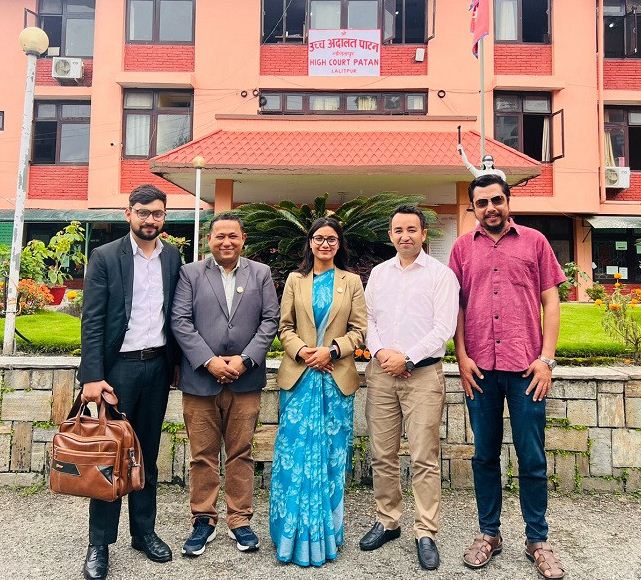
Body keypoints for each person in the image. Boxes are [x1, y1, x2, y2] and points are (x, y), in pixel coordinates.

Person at [448, 174, 566, 579]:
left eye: (496, 200)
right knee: (484, 455)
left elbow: (551, 300)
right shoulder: (462, 248)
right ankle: (489, 534)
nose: (490, 208)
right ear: (473, 208)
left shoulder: (535, 242)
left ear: (508, 201)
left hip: (526, 369)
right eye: (482, 203)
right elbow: (457, 306)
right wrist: (461, 356)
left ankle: (538, 539)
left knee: (532, 457)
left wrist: (547, 359)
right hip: (479, 370)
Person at [78, 184, 182, 580]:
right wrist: (93, 375)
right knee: (110, 457)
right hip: (117, 372)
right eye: (143, 212)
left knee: (146, 456)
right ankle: (99, 544)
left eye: (157, 213)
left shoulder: (172, 257)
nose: (150, 219)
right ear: (129, 214)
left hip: (157, 368)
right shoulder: (106, 256)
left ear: (164, 217)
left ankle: (143, 532)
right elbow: (92, 319)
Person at [170, 213, 279, 557]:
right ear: (209, 240)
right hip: (200, 380)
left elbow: (270, 320)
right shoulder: (190, 273)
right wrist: (209, 360)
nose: (226, 242)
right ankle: (203, 519)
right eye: (220, 236)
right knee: (202, 455)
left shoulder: (260, 273)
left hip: (245, 381)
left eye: (233, 236)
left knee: (240, 452)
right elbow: (180, 320)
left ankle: (239, 519)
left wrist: (246, 359)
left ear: (243, 239)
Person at [360, 205, 459, 571]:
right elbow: (369, 320)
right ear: (391, 235)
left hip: (423, 377)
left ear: (423, 234)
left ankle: (425, 531)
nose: (405, 236)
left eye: (412, 229)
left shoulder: (440, 275)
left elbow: (443, 327)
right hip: (382, 374)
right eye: (398, 230)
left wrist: (408, 359)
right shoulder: (379, 273)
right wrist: (381, 353)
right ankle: (388, 520)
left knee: (424, 457)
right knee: (382, 454)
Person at [270, 217, 366, 567]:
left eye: (331, 239)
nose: (325, 244)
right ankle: (289, 537)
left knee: (331, 457)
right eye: (319, 238)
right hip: (300, 378)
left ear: (339, 244)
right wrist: (304, 352)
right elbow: (284, 327)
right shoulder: (295, 281)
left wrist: (333, 351)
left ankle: (328, 536)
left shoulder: (351, 281)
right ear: (309, 243)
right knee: (294, 456)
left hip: (336, 381)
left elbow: (360, 329)